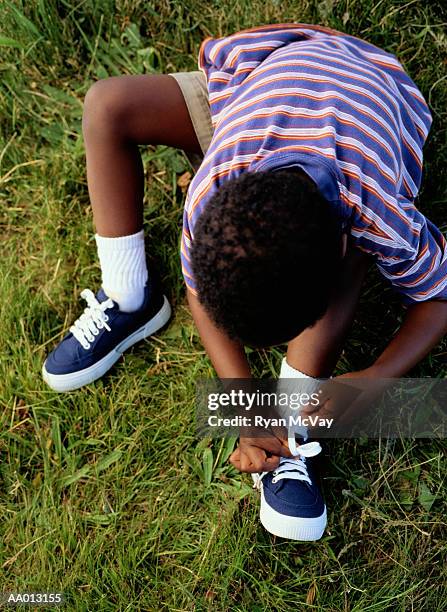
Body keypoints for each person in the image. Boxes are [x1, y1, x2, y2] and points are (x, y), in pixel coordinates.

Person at [42, 23, 447, 541]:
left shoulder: (375, 211)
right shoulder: (212, 193)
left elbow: (439, 295)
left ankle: (291, 419)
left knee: (349, 266)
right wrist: (240, 404)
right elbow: (198, 284)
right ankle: (129, 297)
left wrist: (375, 380)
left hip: (370, 95)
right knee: (106, 103)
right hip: (266, 85)